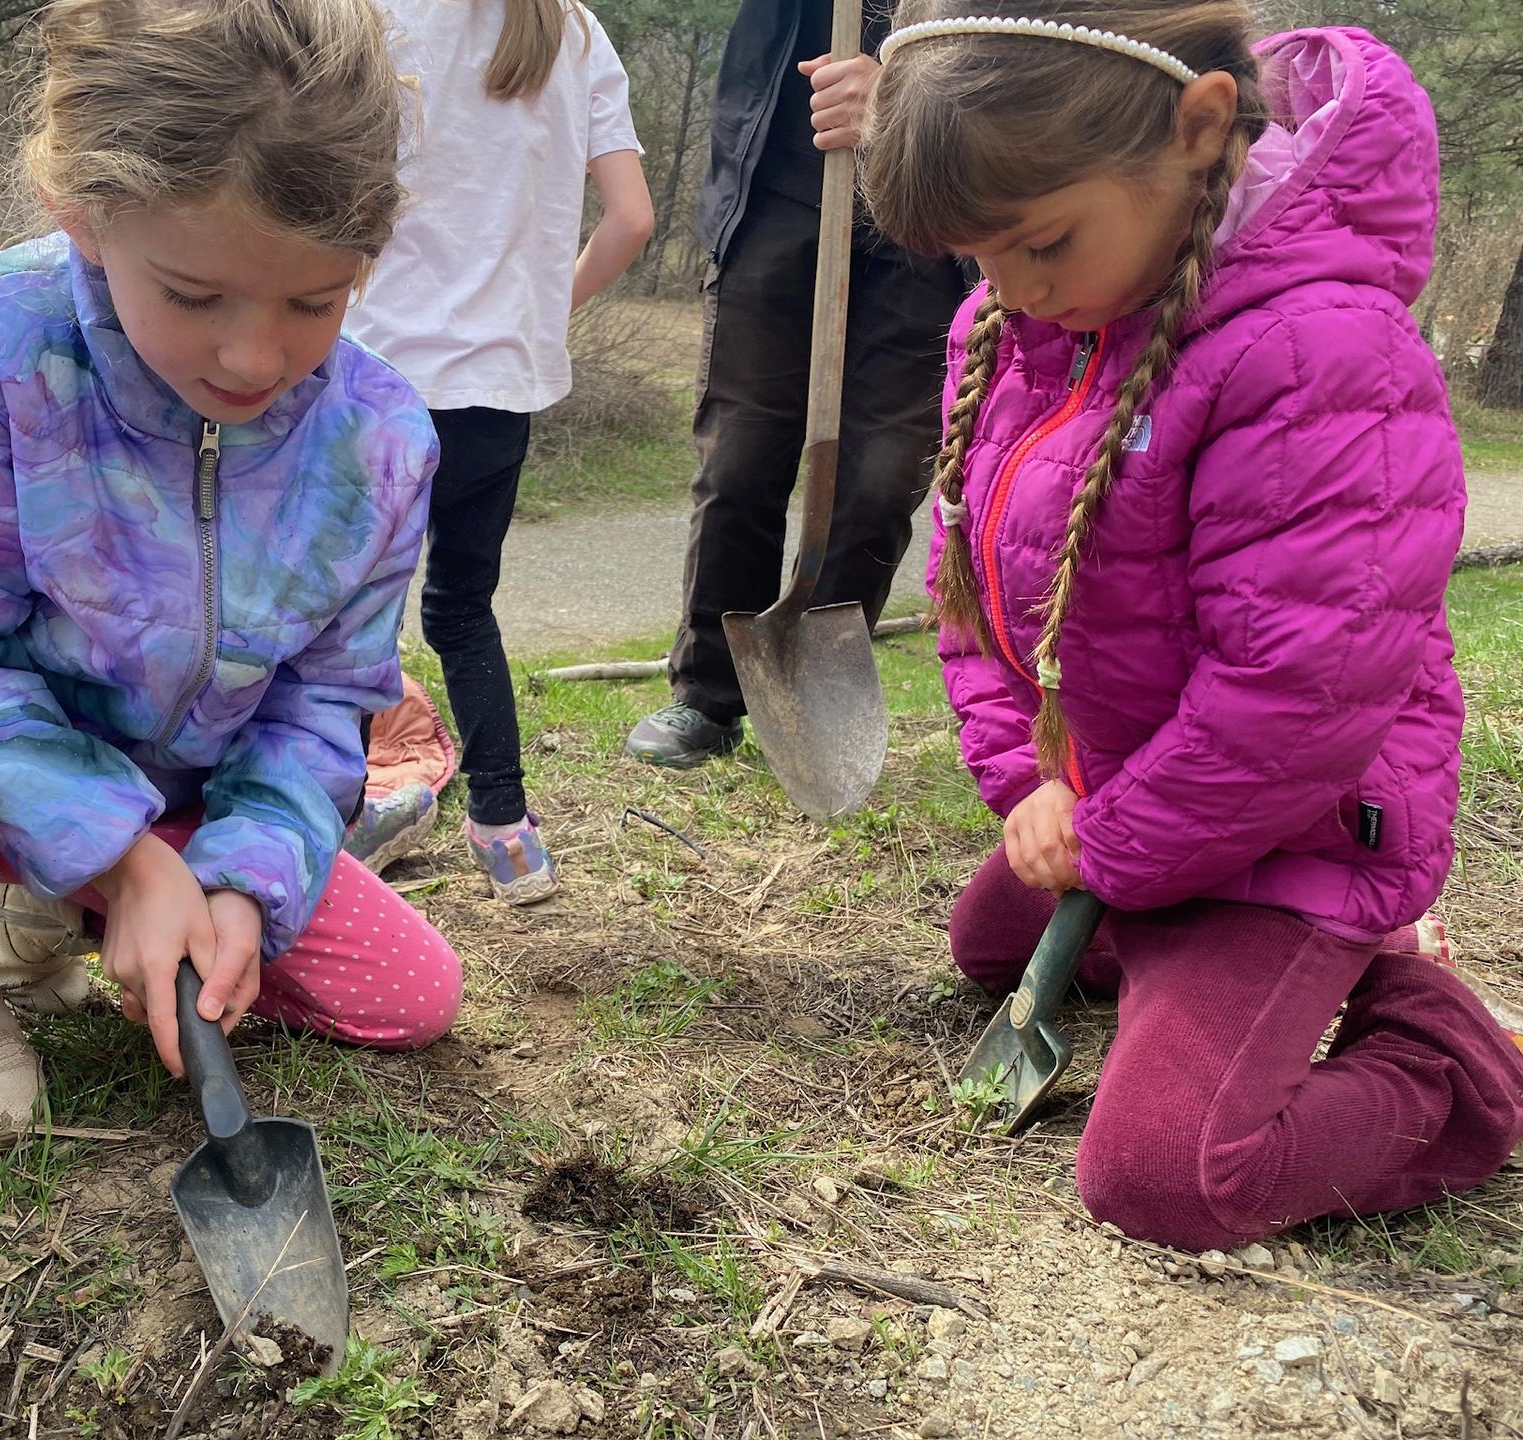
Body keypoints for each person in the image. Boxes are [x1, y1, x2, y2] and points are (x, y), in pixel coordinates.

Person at [0, 0, 463, 1148]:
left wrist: (238, 883)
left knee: (411, 1000)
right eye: (196, 297)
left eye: (315, 300)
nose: (255, 356)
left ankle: (61, 905)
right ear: (81, 214)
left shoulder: (379, 442)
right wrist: (117, 854)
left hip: (181, 799)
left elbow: (321, 705)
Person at [859, 0, 1523, 1249]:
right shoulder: (1019, 329)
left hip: (1296, 825)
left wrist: (1111, 847)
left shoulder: (1323, 353)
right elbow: (978, 606)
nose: (1008, 288)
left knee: (1166, 1173)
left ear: (1199, 128)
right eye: (977, 258)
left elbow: (1293, 706)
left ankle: (1446, 1056)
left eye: (1041, 243)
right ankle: (1198, 959)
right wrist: (1029, 786)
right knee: (986, 945)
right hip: (1140, 808)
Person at [345, 0, 652, 903]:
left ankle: (331, 817)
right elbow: (630, 218)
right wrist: (535, 317)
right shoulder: (577, 30)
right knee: (461, 608)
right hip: (498, 389)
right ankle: (508, 836)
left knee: (347, 615)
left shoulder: (370, 17)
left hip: (371, 373)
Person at [623, 0, 967, 769]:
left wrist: (905, 93)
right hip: (779, 186)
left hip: (932, 211)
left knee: (880, 483)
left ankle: (815, 702)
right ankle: (708, 696)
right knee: (742, 457)